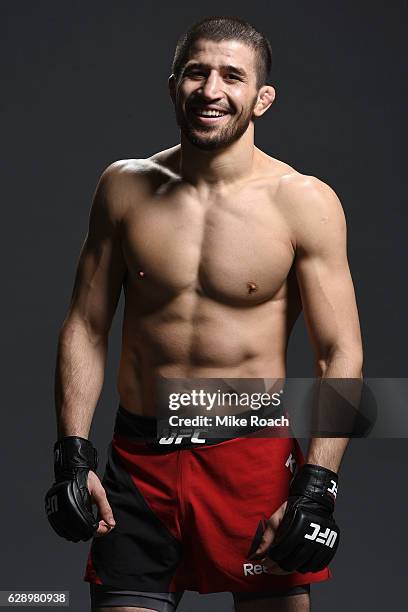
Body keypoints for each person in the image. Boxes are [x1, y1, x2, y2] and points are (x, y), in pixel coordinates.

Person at [45, 16, 363, 612]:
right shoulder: (123, 188)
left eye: (232, 76)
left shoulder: (304, 202)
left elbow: (339, 353)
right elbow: (86, 326)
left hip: (254, 462)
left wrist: (319, 488)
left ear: (261, 98)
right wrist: (72, 452)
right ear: (174, 85)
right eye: (197, 72)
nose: (211, 90)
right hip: (140, 464)